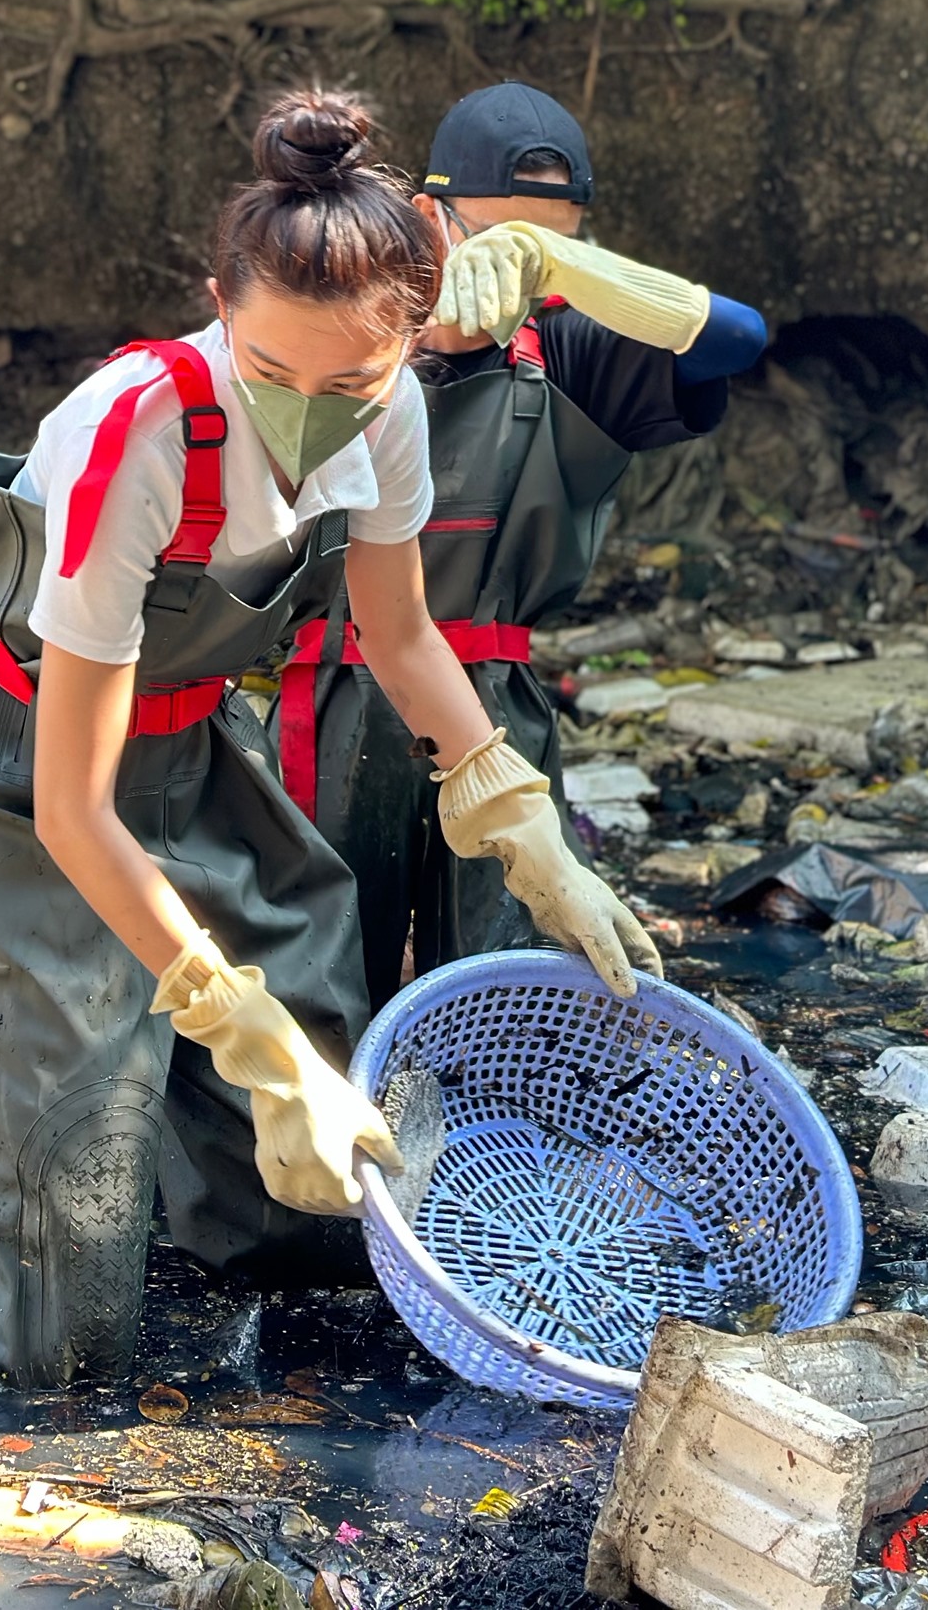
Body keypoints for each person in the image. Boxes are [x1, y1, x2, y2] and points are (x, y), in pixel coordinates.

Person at [0, 89, 662, 1392]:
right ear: (219, 305)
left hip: (193, 738)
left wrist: (523, 825)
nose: (311, 413)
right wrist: (233, 1032)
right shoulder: (130, 433)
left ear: (410, 341)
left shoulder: (399, 414)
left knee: (324, 1059)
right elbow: (79, 813)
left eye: (352, 382)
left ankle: (280, 1368)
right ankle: (35, 1431)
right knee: (75, 1130)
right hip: (23, 769)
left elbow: (404, 636)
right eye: (274, 376)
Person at [280, 82, 767, 1012]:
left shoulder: (575, 351)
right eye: (499, 238)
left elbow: (738, 338)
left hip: (499, 708)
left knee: (511, 982)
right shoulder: (349, 345)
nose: (522, 272)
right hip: (332, 693)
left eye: (549, 247)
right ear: (429, 216)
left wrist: (565, 268)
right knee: (323, 976)